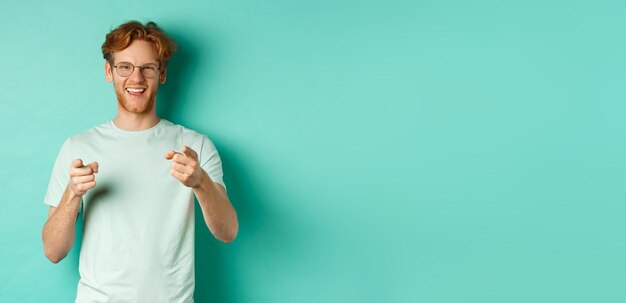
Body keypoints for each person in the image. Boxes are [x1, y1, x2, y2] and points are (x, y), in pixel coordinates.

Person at [41, 20, 238, 302]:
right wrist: (72, 193)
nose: (136, 78)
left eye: (148, 68)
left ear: (162, 73)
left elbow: (228, 231)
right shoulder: (78, 147)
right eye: (125, 67)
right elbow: (53, 251)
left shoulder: (196, 146)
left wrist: (201, 182)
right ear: (110, 71)